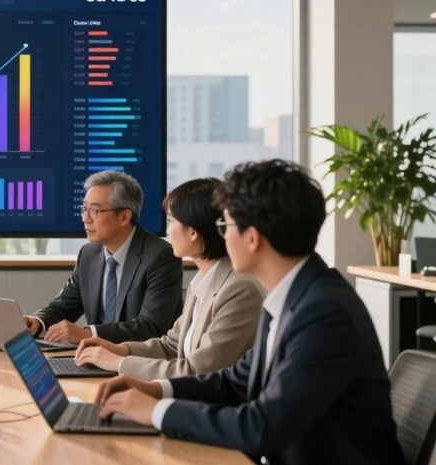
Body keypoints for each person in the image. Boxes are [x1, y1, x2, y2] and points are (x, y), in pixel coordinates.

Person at [96, 160, 404, 465]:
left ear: (253, 237)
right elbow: (234, 382)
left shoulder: (324, 313)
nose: (222, 237)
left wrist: (155, 412)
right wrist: (152, 389)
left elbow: (263, 426)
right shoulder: (290, 297)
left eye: (225, 226)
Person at [73, 178, 264, 379]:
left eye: (172, 221)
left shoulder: (240, 289)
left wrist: (118, 363)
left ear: (192, 232)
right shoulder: (202, 281)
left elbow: (195, 371)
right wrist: (118, 349)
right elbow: (170, 346)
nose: (167, 231)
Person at [24, 171, 183, 344]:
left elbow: (151, 326)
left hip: (140, 363)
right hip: (95, 359)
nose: (85, 218)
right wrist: (38, 322)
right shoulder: (88, 254)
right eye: (84, 209)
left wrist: (87, 333)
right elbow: (65, 305)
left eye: (94, 211)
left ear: (124, 217)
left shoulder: (160, 256)